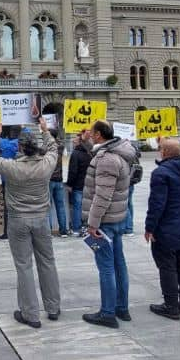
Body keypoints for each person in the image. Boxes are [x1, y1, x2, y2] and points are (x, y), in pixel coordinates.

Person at [0, 117, 62, 329]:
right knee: (48, 261)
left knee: (24, 266)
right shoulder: (47, 164)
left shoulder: (11, 167)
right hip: (41, 218)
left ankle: (30, 313)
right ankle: (53, 307)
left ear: (19, 147)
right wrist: (45, 130)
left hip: (18, 219)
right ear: (36, 146)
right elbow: (53, 148)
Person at [80, 121, 138, 328]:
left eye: (92, 133)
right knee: (118, 264)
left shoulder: (106, 159)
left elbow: (102, 195)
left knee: (106, 267)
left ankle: (107, 313)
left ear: (98, 135)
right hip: (117, 218)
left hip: (104, 221)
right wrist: (87, 144)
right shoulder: (119, 153)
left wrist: (92, 223)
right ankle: (121, 307)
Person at [145, 138, 180, 321]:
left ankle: (171, 306)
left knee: (167, 266)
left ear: (164, 152)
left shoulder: (161, 173)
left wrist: (149, 227)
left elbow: (157, 204)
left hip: (167, 228)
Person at [0, 125, 21, 240]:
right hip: (20, 180)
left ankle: (7, 232)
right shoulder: (21, 143)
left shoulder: (4, 143)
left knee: (6, 207)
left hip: (6, 180)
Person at [65, 130, 93, 236]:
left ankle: (76, 228)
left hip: (78, 185)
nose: (73, 142)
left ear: (80, 142)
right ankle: (86, 226)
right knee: (87, 207)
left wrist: (69, 184)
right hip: (88, 184)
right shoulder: (90, 153)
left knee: (77, 207)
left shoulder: (75, 154)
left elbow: (73, 171)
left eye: (75, 141)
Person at [47, 127, 68, 238]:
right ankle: (63, 231)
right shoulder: (62, 147)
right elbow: (65, 161)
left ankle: (48, 231)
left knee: (47, 207)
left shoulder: (46, 147)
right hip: (59, 179)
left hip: (49, 179)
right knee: (61, 206)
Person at [121, 141, 142, 236]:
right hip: (132, 182)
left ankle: (128, 228)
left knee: (125, 205)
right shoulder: (134, 155)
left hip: (125, 182)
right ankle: (130, 225)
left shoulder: (125, 156)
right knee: (129, 204)